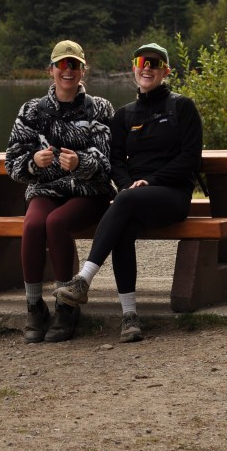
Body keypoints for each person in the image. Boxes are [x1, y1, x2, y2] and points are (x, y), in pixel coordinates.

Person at [55, 42, 203, 343]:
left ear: (166, 71)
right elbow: (115, 160)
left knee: (124, 202)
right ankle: (129, 316)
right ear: (133, 69)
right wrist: (126, 185)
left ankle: (83, 280)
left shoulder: (182, 107)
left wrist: (151, 181)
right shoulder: (124, 115)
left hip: (172, 196)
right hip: (133, 198)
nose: (147, 67)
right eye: (141, 62)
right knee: (122, 229)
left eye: (154, 63)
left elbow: (190, 158)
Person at [5, 39, 114, 344]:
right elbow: (11, 163)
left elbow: (110, 163)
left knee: (56, 222)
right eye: (62, 64)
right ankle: (34, 306)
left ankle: (66, 306)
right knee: (33, 224)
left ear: (83, 71)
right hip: (46, 189)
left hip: (89, 191)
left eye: (74, 64)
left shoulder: (100, 108)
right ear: (51, 70)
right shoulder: (31, 110)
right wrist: (33, 162)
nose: (68, 70)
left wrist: (81, 163)